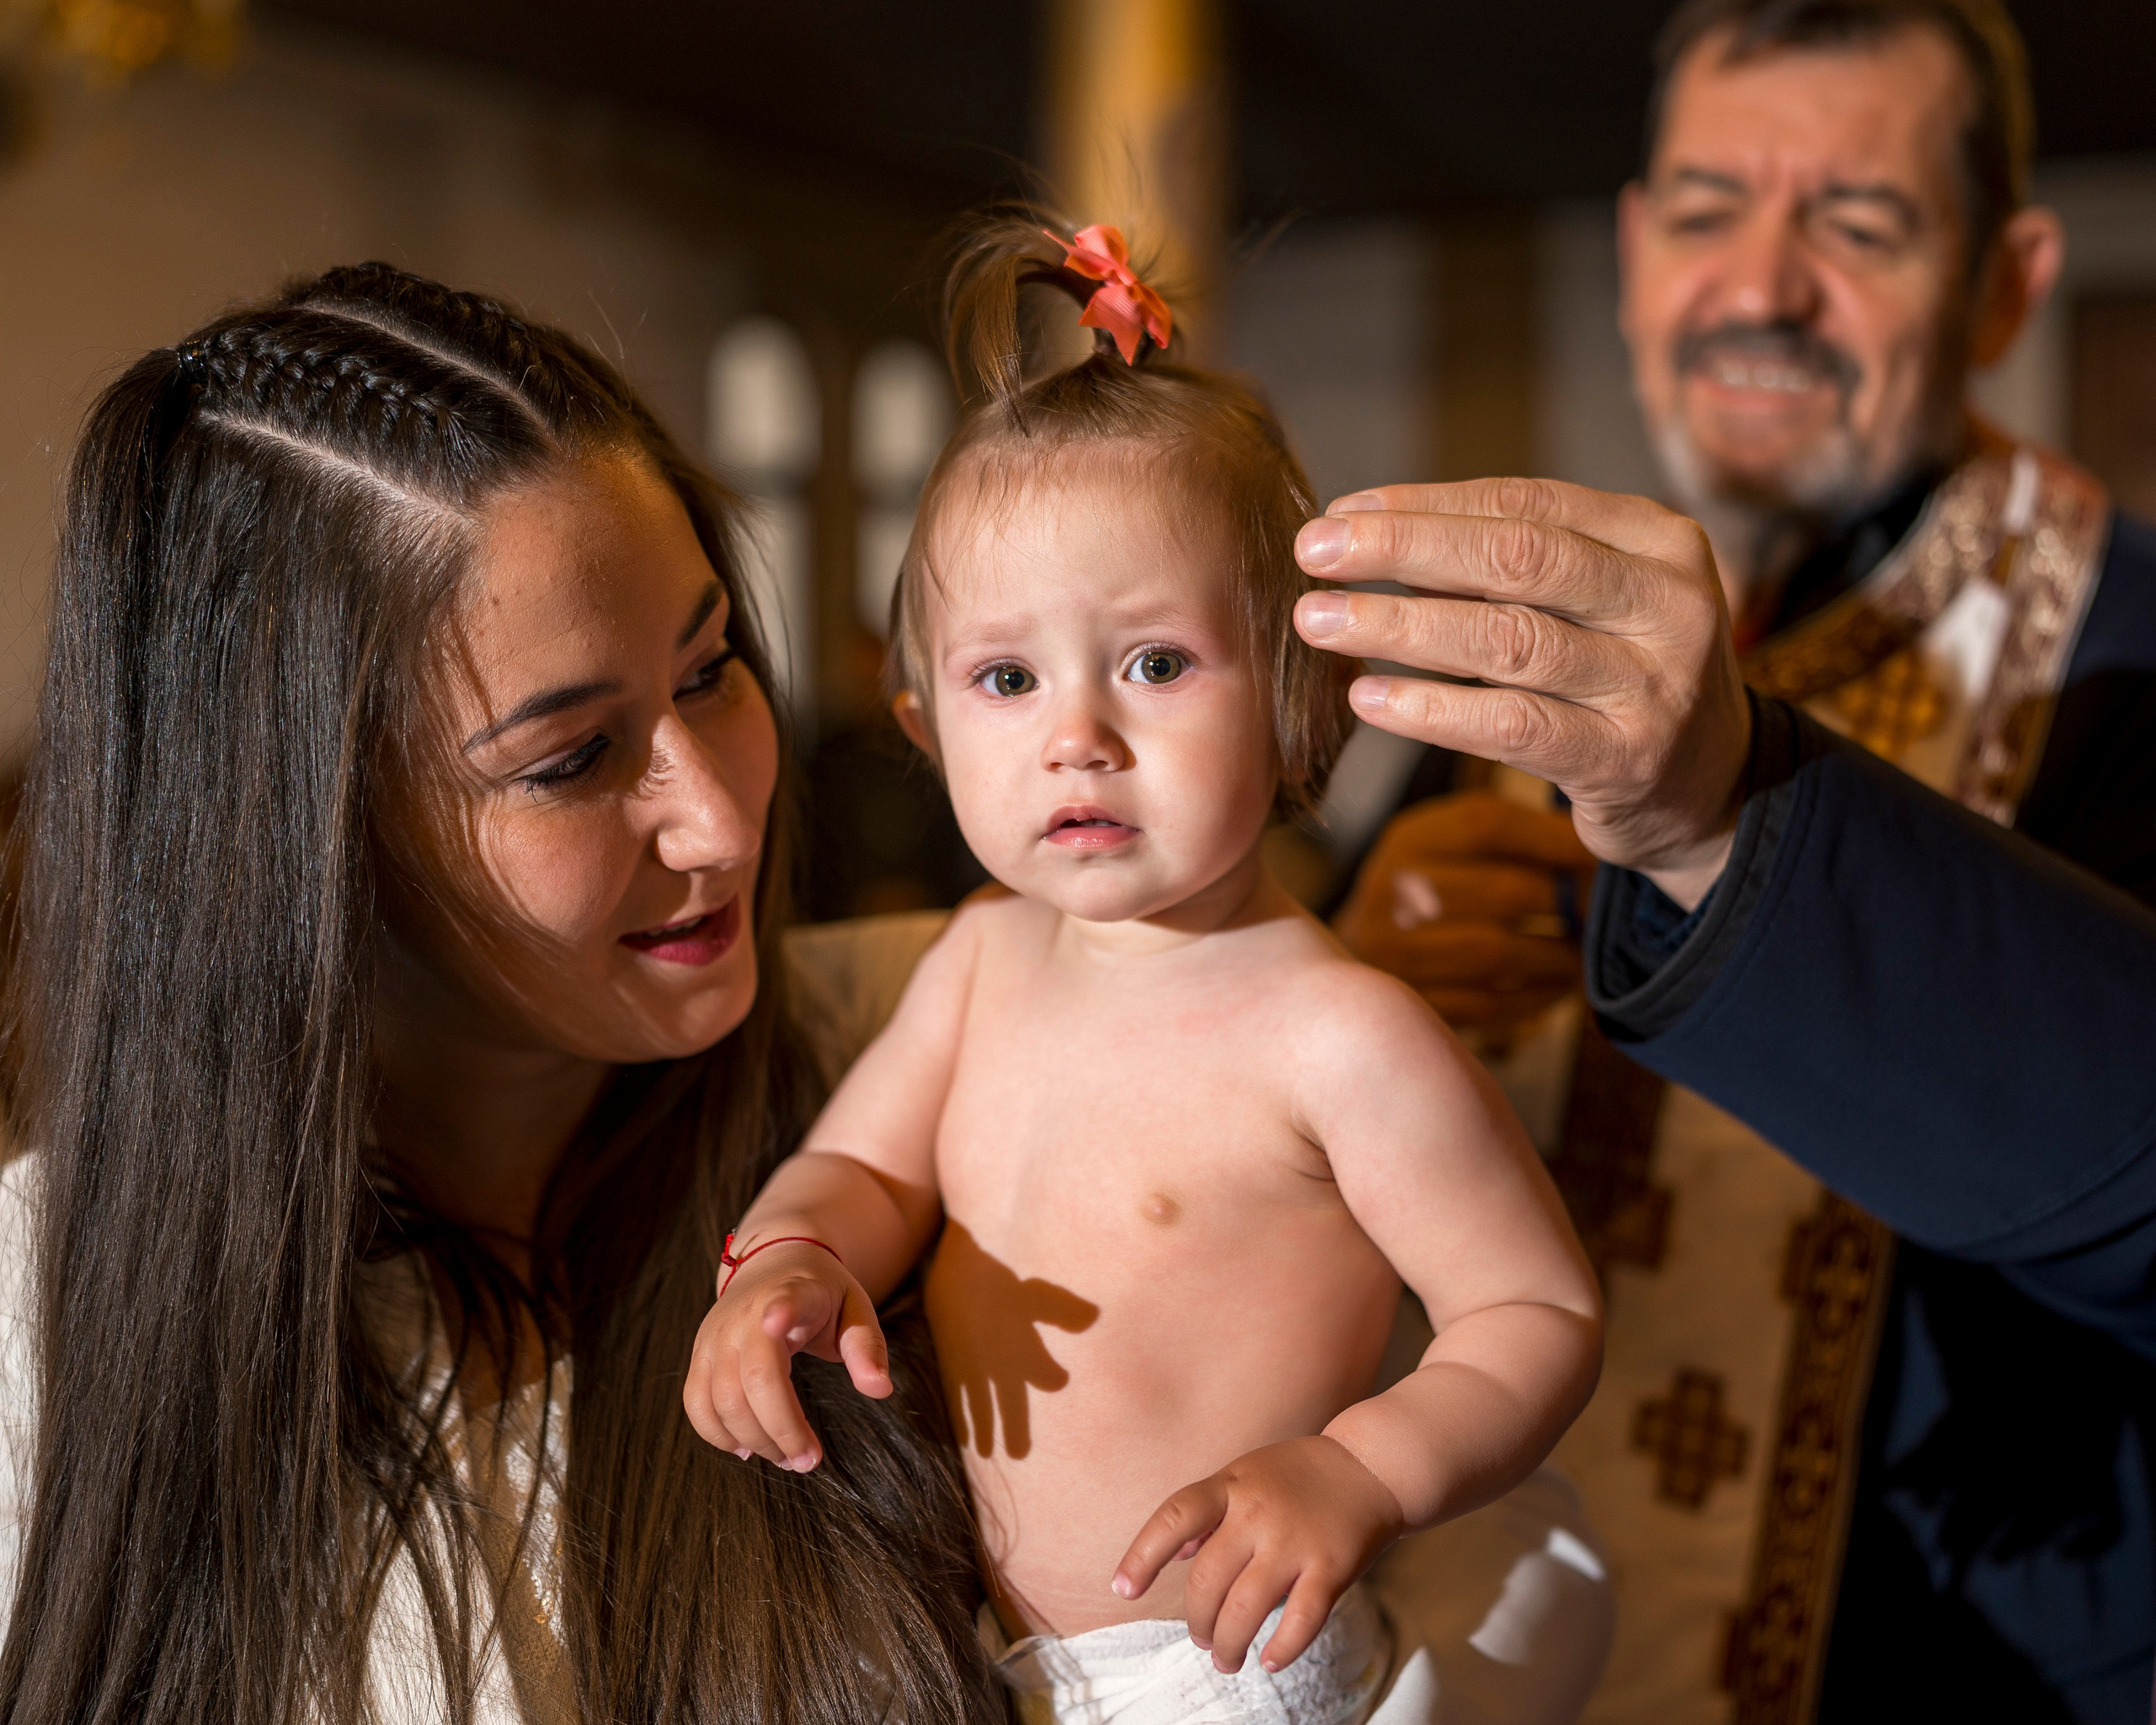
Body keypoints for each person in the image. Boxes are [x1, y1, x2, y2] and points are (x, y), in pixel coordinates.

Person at [0, 264, 1010, 1725]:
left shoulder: (920, 1068)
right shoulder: (38, 1337)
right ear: (299, 838)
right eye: (570, 761)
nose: (723, 819)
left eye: (714, 668)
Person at [1310, 1, 2156, 1716]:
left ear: (2003, 280)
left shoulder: (2132, 650)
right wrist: (1355, 984)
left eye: (1855, 225)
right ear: (1632, 257)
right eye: (1703, 213)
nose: (1756, 288)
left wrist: (1724, 819)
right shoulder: (1518, 636)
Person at [682, 219, 1604, 1725]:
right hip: (984, 1648)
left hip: (1226, 1660)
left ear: (1303, 705)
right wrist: (794, 1258)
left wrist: (1358, 1469)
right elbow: (865, 1165)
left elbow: (1534, 1316)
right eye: (1007, 677)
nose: (1078, 733)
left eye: (1157, 664)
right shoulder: (978, 961)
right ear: (925, 727)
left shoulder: (1339, 1031)